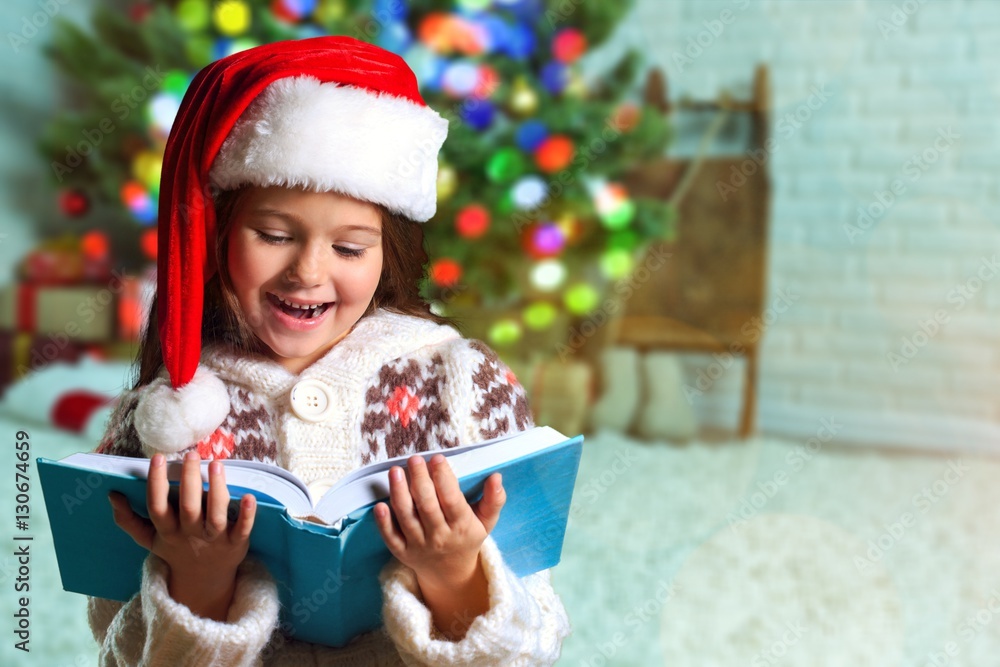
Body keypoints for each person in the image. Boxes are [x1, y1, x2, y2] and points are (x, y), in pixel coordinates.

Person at [87, 36, 571, 666]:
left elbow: (535, 647)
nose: (308, 272)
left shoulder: (462, 384)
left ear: (386, 253)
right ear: (216, 234)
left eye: (349, 249)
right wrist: (199, 583)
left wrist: (455, 576)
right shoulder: (161, 417)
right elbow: (117, 652)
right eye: (275, 235)